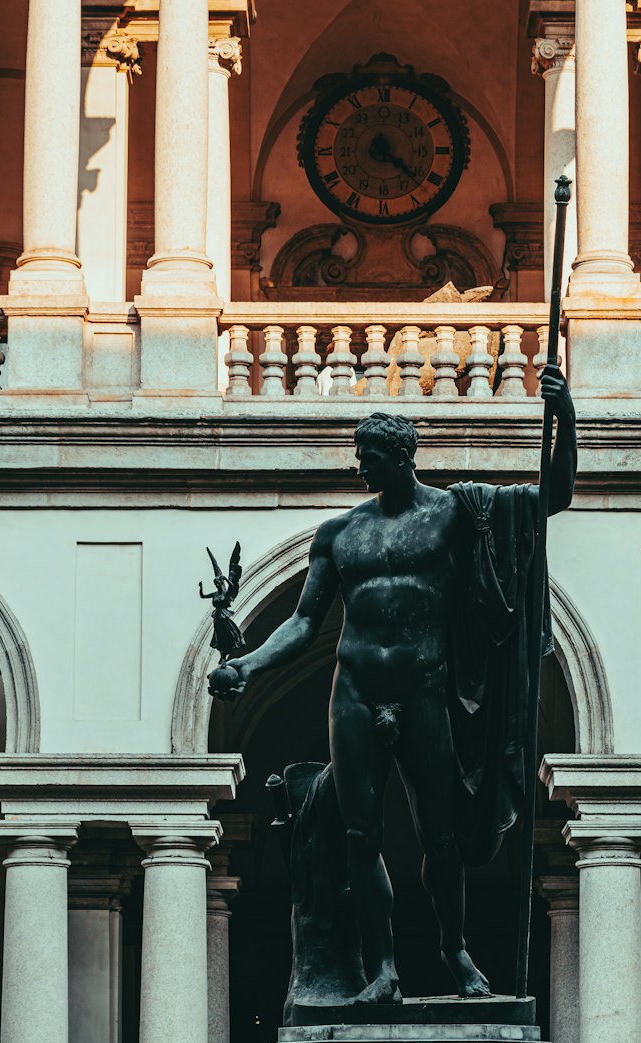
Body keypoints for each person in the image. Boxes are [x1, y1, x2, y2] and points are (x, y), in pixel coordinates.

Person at [209, 364, 576, 1003]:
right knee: (359, 835)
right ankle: (382, 970)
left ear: (404, 458)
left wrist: (564, 415)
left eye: (372, 458)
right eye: (360, 458)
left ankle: (455, 954)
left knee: (442, 834)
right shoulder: (340, 533)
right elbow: (302, 623)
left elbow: (554, 496)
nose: (362, 470)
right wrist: (248, 664)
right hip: (353, 693)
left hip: (424, 691)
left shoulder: (457, 514)